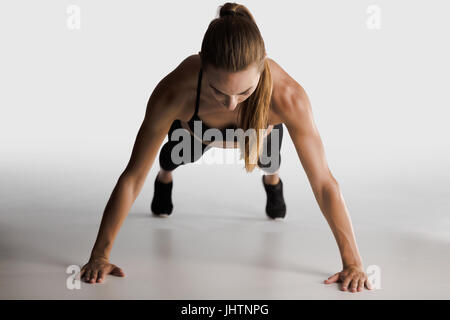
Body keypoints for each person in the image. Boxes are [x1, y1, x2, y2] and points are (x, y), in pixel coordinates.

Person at [80, 2, 373, 293]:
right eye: (218, 91)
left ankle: (272, 181)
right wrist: (99, 255)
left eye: (244, 91)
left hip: (257, 131)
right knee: (174, 156)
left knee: (270, 159)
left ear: (261, 69)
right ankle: (165, 177)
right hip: (198, 133)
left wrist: (353, 263)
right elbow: (132, 176)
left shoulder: (288, 97)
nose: (232, 103)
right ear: (202, 63)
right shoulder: (174, 92)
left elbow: (324, 183)